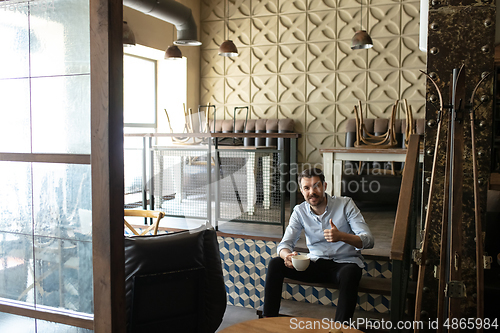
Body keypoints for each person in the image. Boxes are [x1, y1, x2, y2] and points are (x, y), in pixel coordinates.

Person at [262, 167, 374, 322]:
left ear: (325, 186)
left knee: (350, 274)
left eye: (316, 186)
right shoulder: (299, 211)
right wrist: (287, 255)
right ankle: (268, 320)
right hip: (315, 263)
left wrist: (341, 236)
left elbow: (368, 240)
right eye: (306, 188)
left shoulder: (346, 204)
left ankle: (340, 328)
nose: (312, 192)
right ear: (301, 190)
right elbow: (284, 244)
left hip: (345, 264)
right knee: (275, 263)